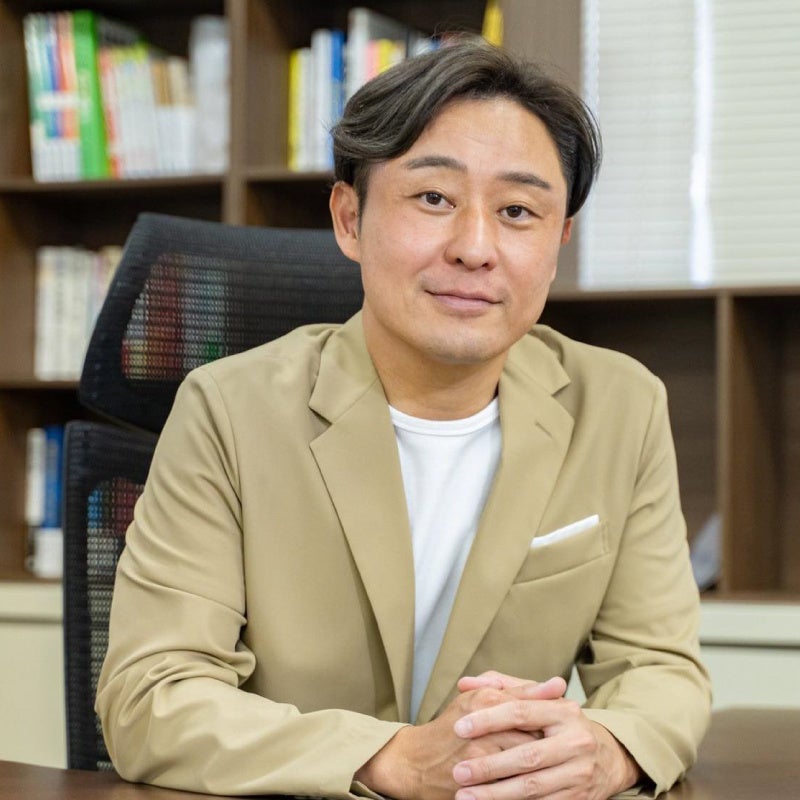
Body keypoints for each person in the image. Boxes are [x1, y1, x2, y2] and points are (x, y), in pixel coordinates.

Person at [96, 41, 711, 800]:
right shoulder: (228, 410)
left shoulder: (620, 405)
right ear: (350, 219)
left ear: (558, 243)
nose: (476, 248)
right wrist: (394, 760)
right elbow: (151, 697)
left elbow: (661, 670)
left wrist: (607, 752)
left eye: (518, 212)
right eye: (433, 199)